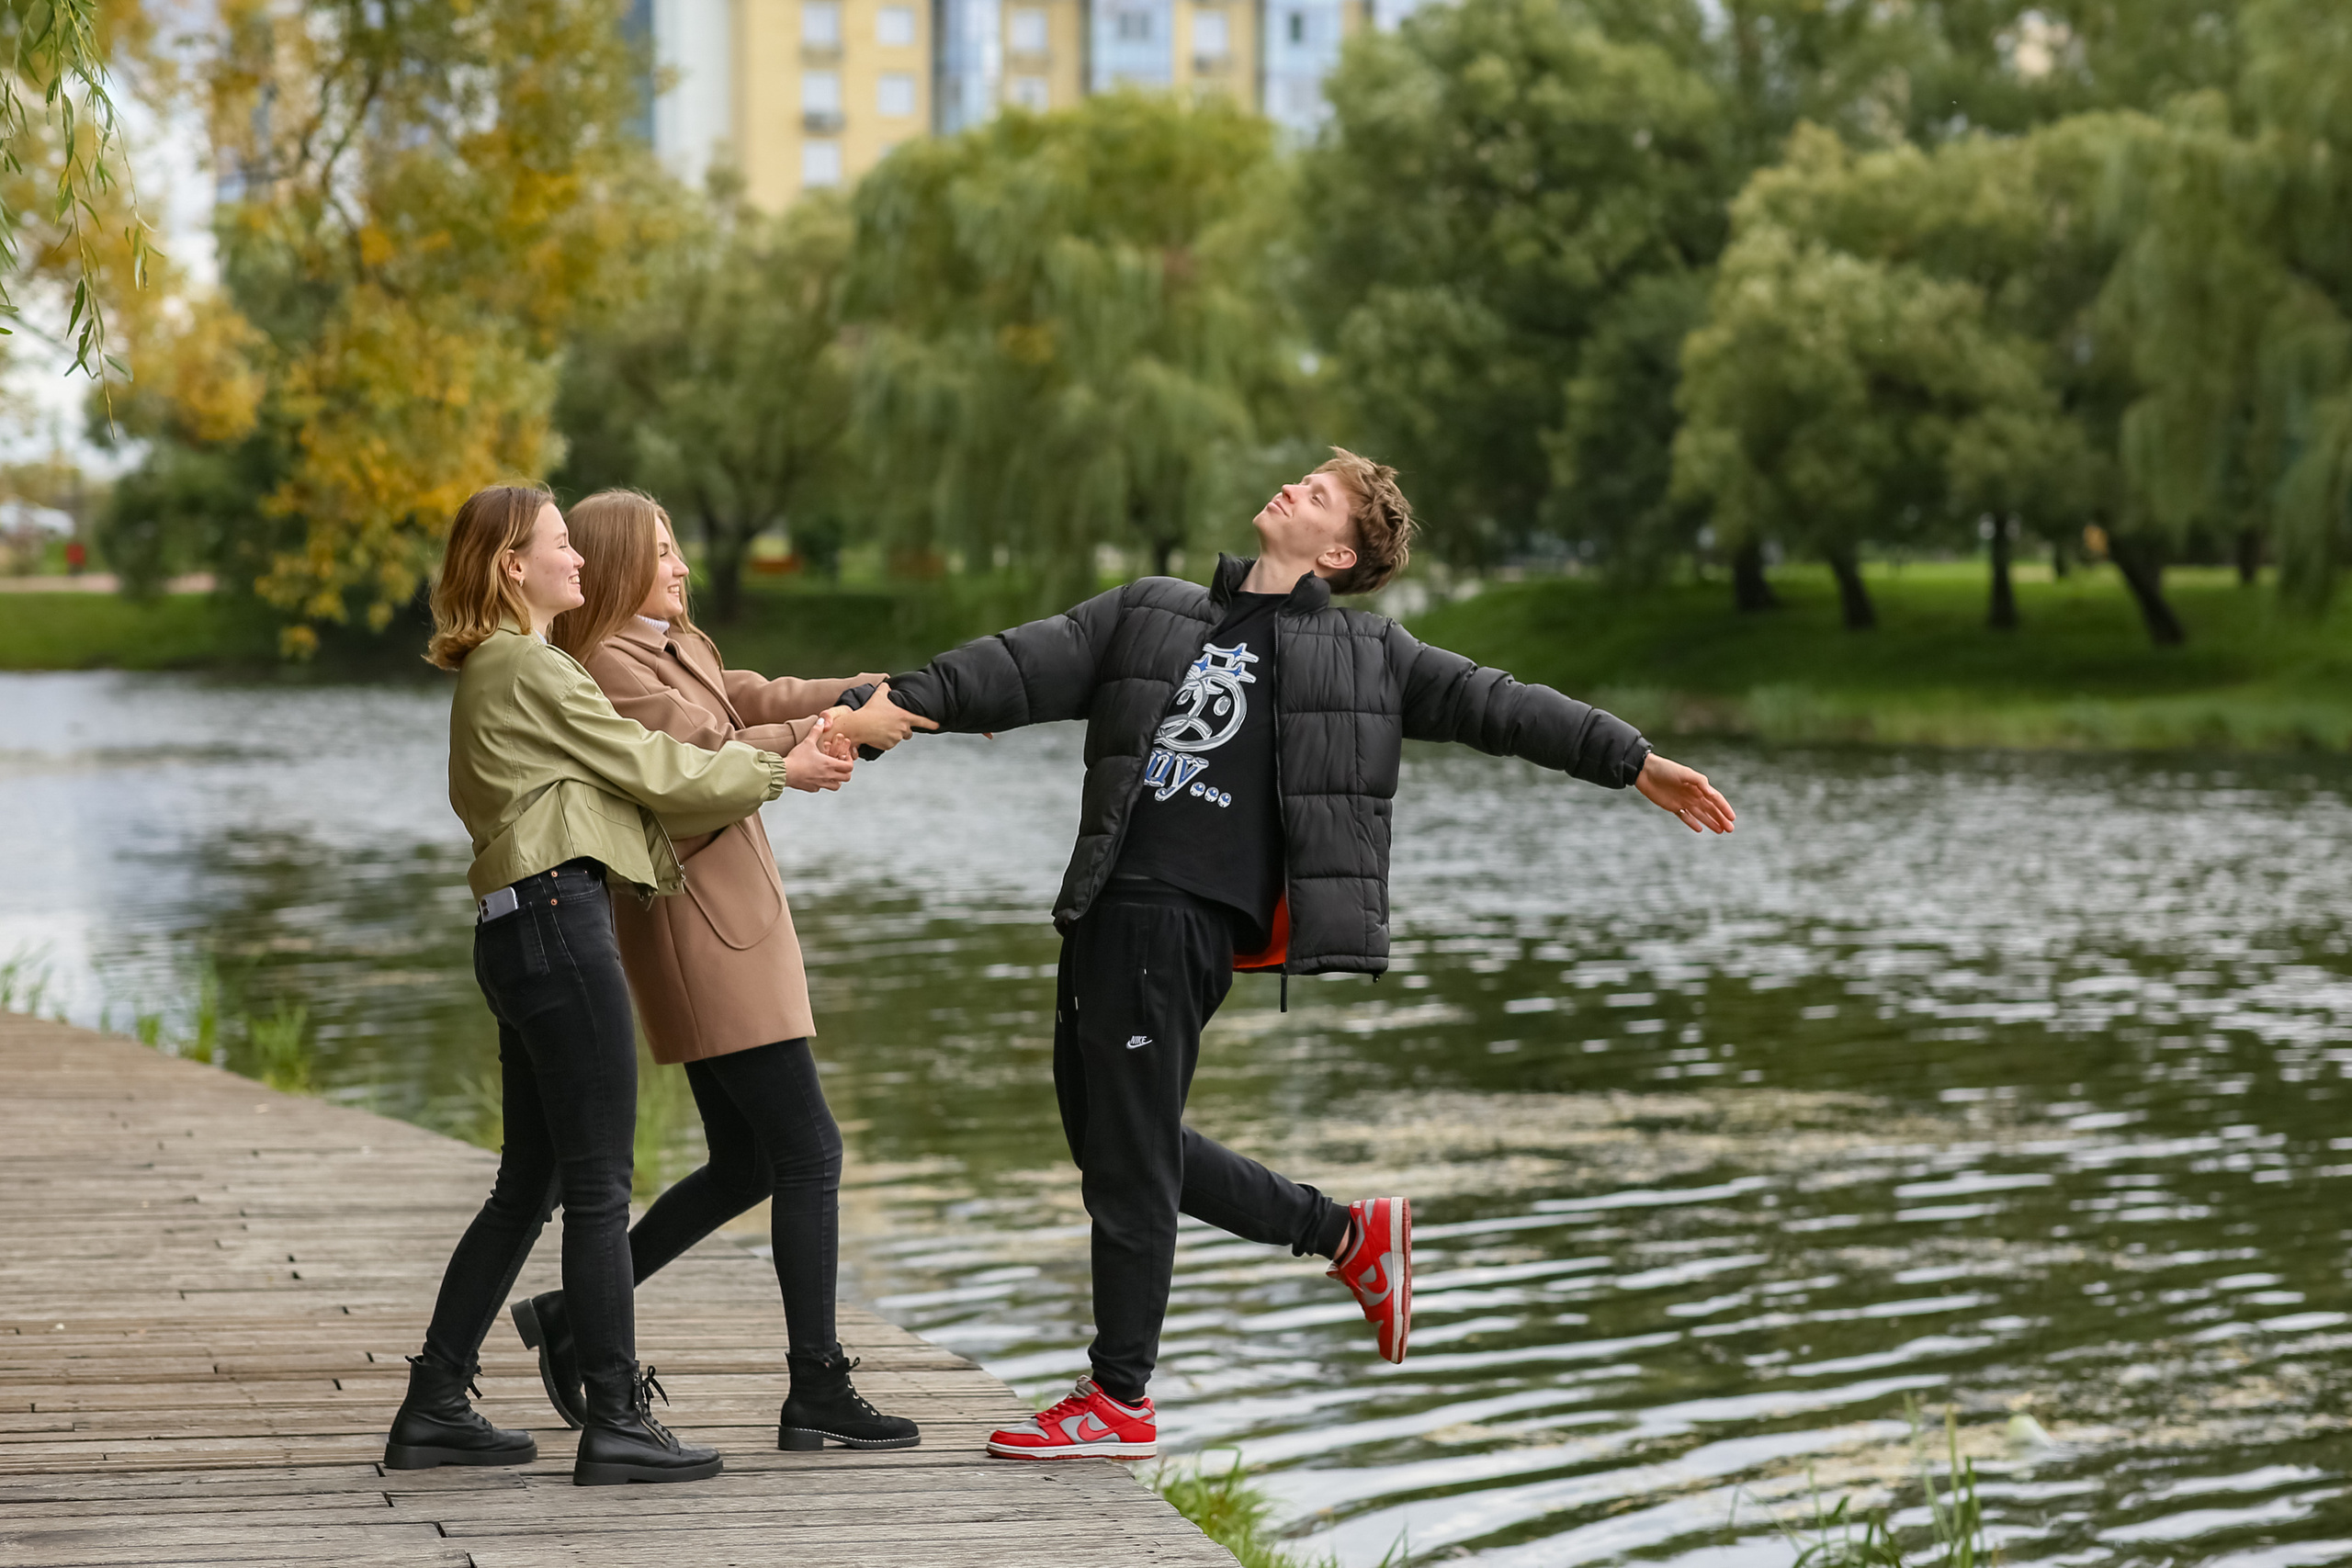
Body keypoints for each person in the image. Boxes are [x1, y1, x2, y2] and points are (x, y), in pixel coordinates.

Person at [823, 449, 1736, 1461]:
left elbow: (1504, 705)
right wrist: (885, 708)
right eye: (1298, 478)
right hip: (1105, 901)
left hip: (1183, 916)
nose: (1290, 488)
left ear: (1338, 550)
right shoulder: (1153, 610)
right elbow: (1015, 664)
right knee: (1117, 1137)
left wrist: (1632, 760)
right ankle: (1346, 1235)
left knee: (1126, 1153)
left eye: (1317, 494)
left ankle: (1118, 1396)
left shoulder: (1366, 659)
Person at [384, 486, 826, 1487]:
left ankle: (435, 1403)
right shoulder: (529, 667)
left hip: (515, 932)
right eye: (559, 548)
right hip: (555, 929)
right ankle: (616, 1419)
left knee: (529, 1186)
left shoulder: (503, 672)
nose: (579, 562)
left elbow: (633, 773)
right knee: (593, 1186)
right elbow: (654, 769)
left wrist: (781, 744)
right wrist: (779, 772)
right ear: (512, 567)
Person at [503, 489, 922, 1453]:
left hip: (739, 922)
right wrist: (832, 737)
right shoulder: (606, 661)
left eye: (678, 547)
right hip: (699, 931)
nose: (682, 565)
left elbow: (750, 698)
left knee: (750, 1160)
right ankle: (815, 1384)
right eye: (661, 553)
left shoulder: (671, 644)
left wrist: (852, 693)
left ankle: (572, 1315)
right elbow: (698, 760)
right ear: (613, 568)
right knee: (810, 1152)